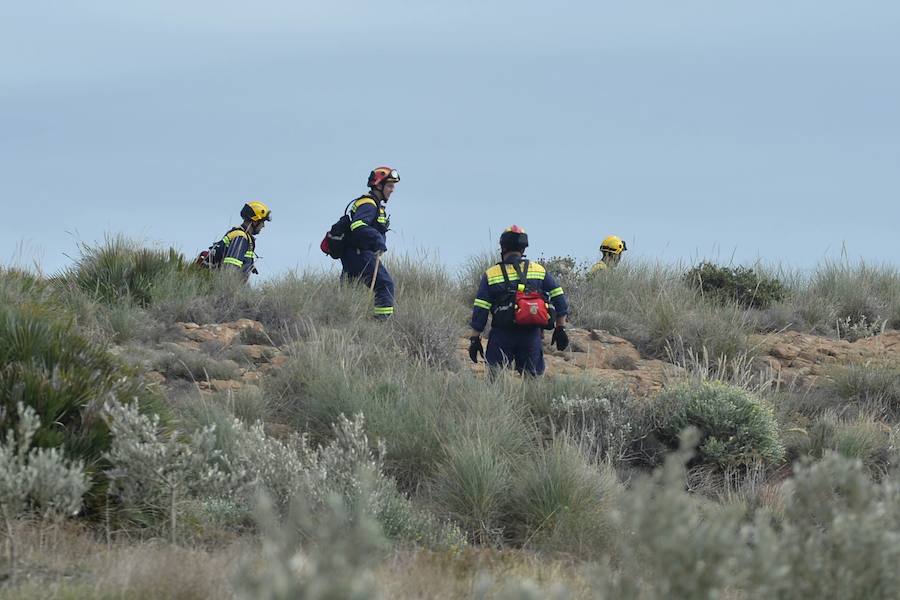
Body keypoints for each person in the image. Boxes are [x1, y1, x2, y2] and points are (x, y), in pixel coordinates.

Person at [468, 225, 569, 376]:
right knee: (533, 380)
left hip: (502, 335)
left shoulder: (491, 274)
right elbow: (559, 297)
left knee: (496, 379)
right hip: (531, 335)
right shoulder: (538, 270)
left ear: (503, 248)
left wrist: (475, 339)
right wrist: (560, 328)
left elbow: (481, 309)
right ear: (523, 249)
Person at [340, 167, 399, 318]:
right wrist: (378, 240)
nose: (392, 190)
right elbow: (358, 225)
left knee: (350, 293)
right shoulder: (369, 204)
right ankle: (381, 324)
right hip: (360, 255)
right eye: (390, 185)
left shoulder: (374, 204)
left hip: (352, 254)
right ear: (379, 186)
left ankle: (345, 324)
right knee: (385, 285)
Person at [202, 201, 271, 279]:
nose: (263, 226)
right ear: (255, 221)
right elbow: (230, 269)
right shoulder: (240, 238)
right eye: (262, 222)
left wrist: (248, 265)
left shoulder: (243, 236)